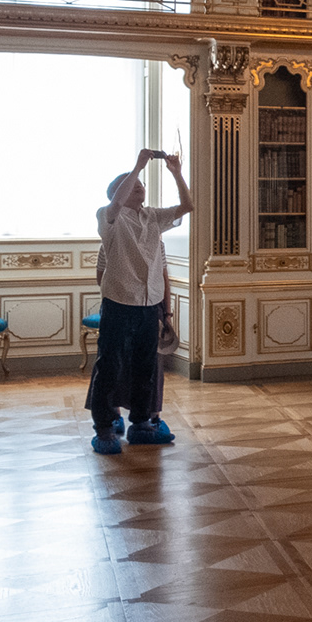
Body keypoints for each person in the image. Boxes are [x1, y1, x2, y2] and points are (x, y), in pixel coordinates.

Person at [88, 148, 191, 455]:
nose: (140, 186)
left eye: (142, 184)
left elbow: (188, 205)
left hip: (149, 304)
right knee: (110, 364)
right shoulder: (109, 217)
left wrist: (176, 172)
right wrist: (138, 165)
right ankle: (105, 428)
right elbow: (116, 202)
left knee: (145, 366)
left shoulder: (153, 217)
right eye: (133, 185)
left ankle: (142, 423)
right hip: (120, 302)